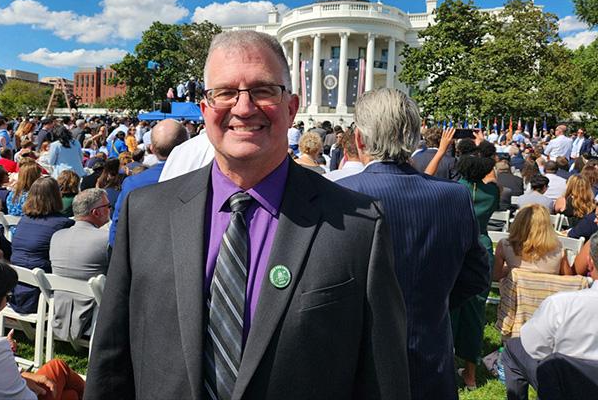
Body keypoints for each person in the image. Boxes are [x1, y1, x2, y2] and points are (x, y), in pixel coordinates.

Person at [85, 31, 410, 400]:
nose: (243, 108)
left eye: (263, 90)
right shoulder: (145, 213)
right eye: (225, 92)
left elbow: (383, 382)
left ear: (291, 108)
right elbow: (111, 364)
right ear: (206, 110)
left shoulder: (358, 226)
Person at [337, 89, 487, 400]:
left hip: (358, 368)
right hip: (428, 360)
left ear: (360, 140)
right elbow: (475, 278)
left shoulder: (337, 196)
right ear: (415, 138)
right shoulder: (455, 197)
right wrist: (431, 305)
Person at [0, 257, 85, 399]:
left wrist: (21, 375)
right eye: (8, 296)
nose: (6, 303)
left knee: (68, 392)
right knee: (59, 370)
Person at [501, 232, 598, 400]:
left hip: (565, 385)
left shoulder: (561, 305)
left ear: (590, 262)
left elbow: (533, 347)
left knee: (513, 348)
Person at [449, 139, 499, 390]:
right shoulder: (492, 192)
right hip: (482, 247)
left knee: (449, 309)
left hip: (457, 249)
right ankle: (470, 374)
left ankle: (447, 365)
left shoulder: (455, 189)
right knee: (476, 311)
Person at [108, 119, 189, 253]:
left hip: (142, 252)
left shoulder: (133, 183)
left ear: (152, 149)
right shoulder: (202, 178)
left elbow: (118, 226)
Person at [49, 189, 110, 343]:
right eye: (108, 206)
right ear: (96, 212)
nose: (110, 210)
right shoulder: (105, 239)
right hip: (91, 313)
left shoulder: (57, 236)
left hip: (60, 310)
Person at [9, 177, 75, 314]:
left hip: (16, 285)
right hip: (40, 288)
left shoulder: (24, 220)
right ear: (57, 196)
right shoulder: (63, 224)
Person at [493, 204, 573, 282]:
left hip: (516, 293)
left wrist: (510, 270)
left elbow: (496, 275)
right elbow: (569, 279)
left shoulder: (505, 245)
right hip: (547, 294)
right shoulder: (558, 248)